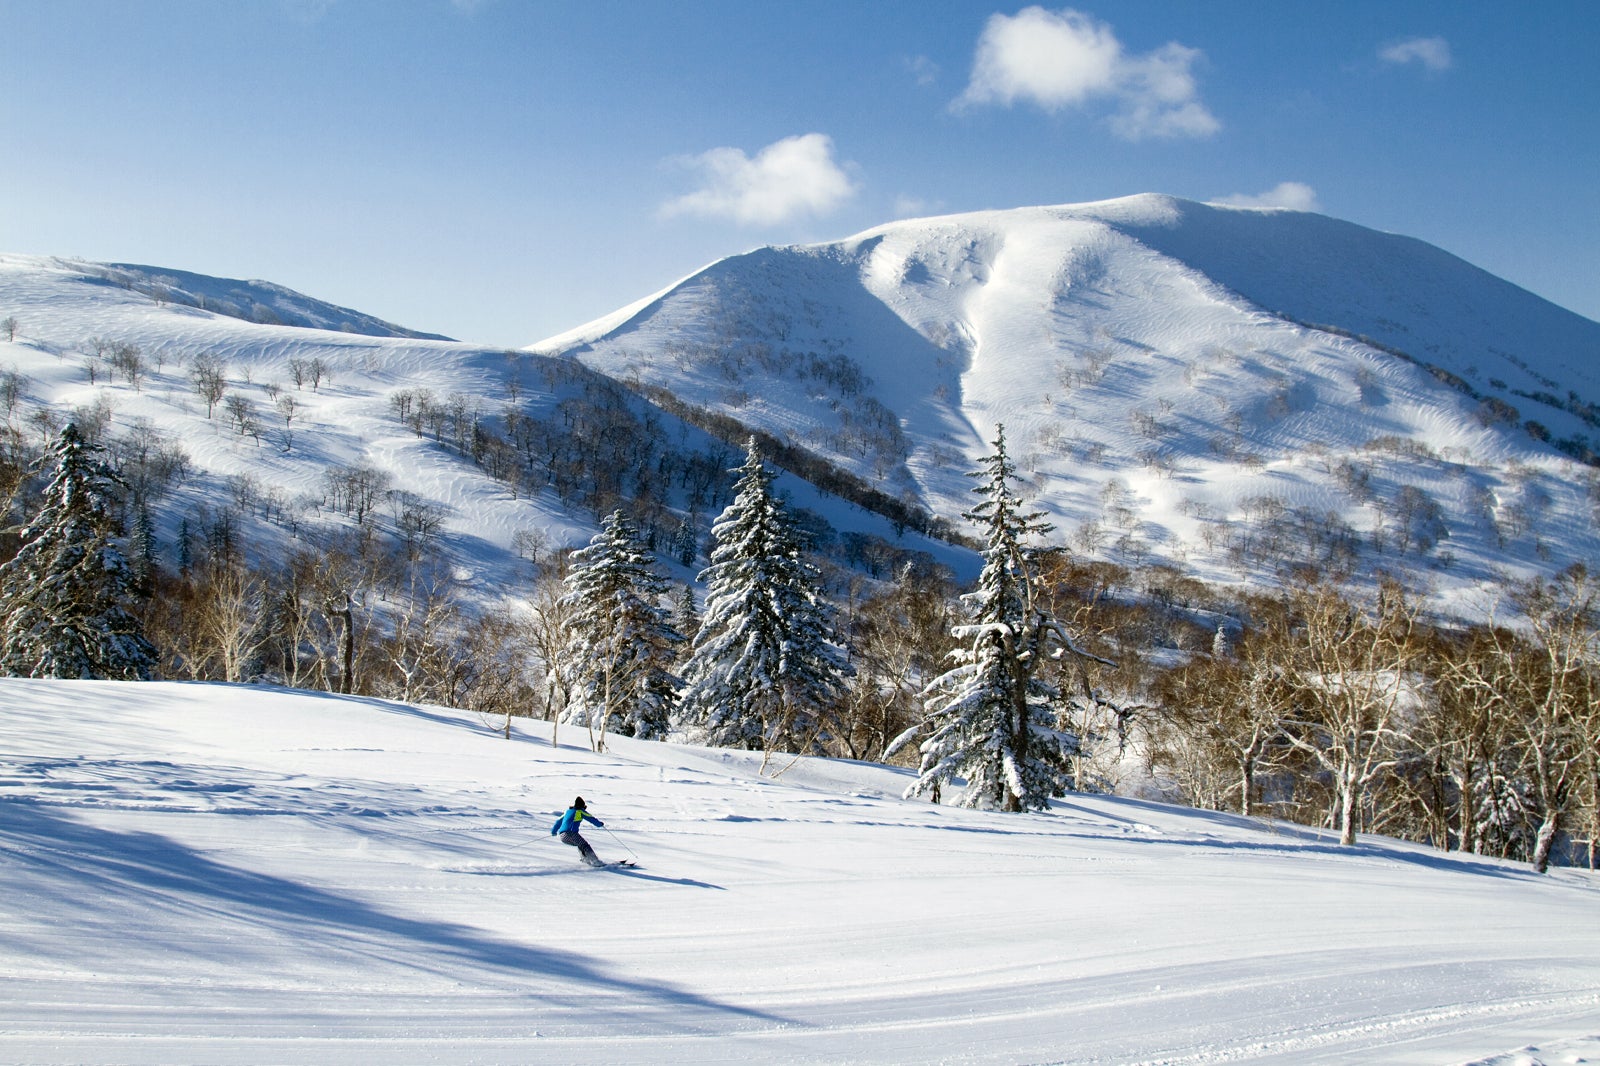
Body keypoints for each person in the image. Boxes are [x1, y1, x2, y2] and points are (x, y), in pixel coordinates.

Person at [551, 795, 606, 867]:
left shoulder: (567, 812)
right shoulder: (580, 811)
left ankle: (586, 859)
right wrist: (599, 824)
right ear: (582, 805)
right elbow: (591, 818)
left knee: (580, 844)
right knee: (585, 845)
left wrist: (553, 832)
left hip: (562, 836)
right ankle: (595, 861)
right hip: (571, 834)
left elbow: (558, 821)